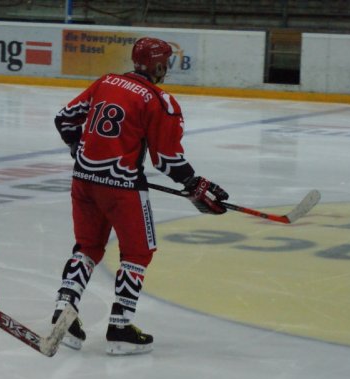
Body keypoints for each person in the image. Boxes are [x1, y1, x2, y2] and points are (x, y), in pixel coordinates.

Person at [51, 37, 229, 355]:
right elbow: (167, 160)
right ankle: (120, 327)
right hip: (122, 187)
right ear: (159, 65)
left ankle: (64, 310)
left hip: (83, 181)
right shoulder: (160, 101)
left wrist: (81, 152)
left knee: (87, 247)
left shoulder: (106, 82)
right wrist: (196, 184)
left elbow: (64, 120)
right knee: (138, 252)